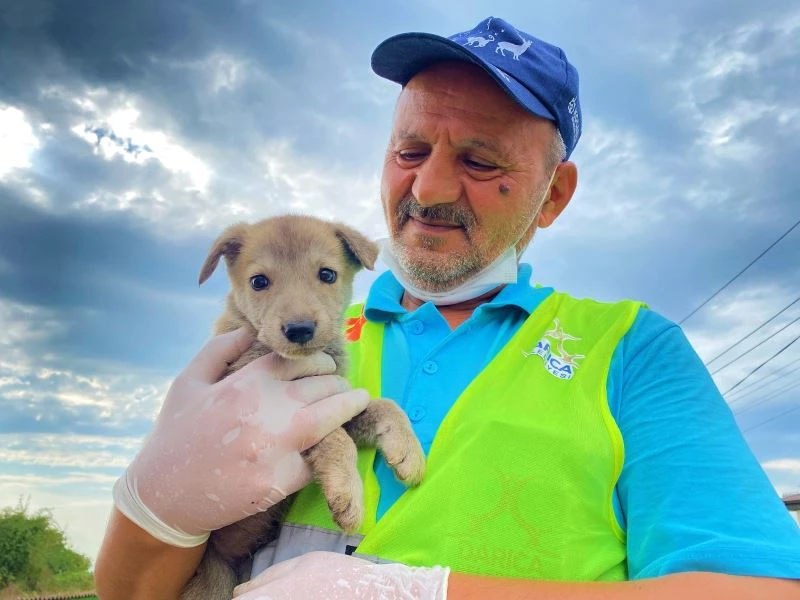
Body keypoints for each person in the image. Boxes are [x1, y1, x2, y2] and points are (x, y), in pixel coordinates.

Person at [95, 16, 800, 600]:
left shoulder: (630, 350)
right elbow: (130, 592)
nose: (429, 186)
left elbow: (761, 590)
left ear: (554, 195)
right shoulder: (287, 338)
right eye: (411, 149)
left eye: (480, 161)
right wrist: (152, 509)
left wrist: (424, 591)